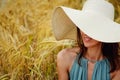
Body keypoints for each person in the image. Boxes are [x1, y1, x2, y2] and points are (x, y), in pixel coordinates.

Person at [52, 0, 120, 80]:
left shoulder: (116, 68)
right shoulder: (65, 57)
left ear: (105, 32)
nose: (85, 32)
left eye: (93, 27)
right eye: (84, 25)